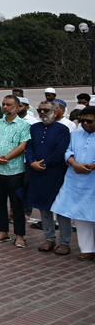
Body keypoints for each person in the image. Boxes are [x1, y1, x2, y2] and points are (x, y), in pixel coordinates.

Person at [22, 101, 73, 254]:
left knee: (61, 208)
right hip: (37, 173)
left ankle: (64, 242)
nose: (42, 112)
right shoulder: (34, 128)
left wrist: (44, 163)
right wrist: (31, 162)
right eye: (40, 110)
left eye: (46, 110)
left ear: (55, 112)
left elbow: (60, 150)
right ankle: (49, 238)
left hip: (56, 173)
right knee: (44, 207)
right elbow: (29, 147)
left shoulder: (62, 129)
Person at [50, 106, 95, 261]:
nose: (85, 124)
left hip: (93, 180)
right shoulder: (75, 134)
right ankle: (88, 249)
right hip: (75, 180)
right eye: (82, 120)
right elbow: (68, 151)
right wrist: (75, 164)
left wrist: (92, 165)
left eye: (89, 121)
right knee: (81, 215)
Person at [0, 95, 31, 247]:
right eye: (3, 104)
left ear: (17, 108)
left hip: (14, 170)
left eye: (9, 105)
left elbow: (23, 145)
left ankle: (19, 235)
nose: (5, 107)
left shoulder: (24, 125)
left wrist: (6, 157)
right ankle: (3, 232)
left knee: (16, 204)